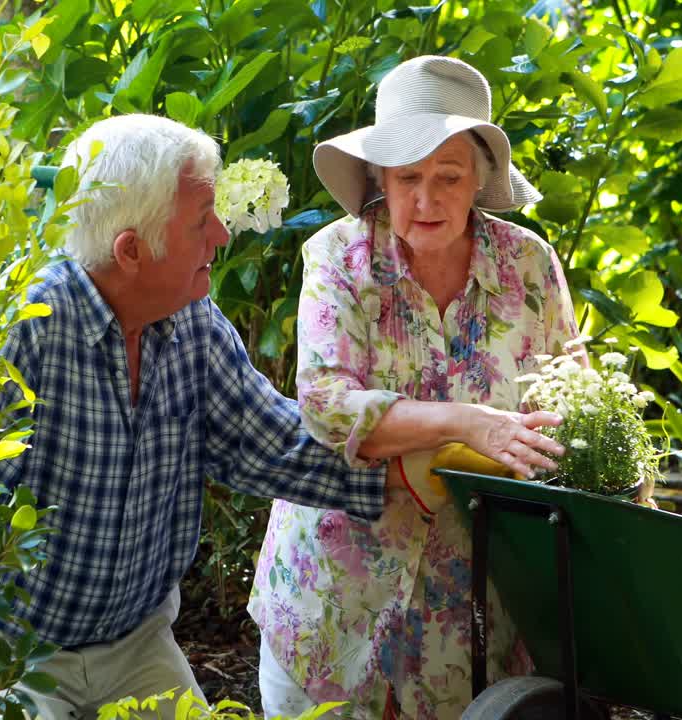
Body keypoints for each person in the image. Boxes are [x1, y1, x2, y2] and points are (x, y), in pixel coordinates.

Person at [0, 114, 401, 720]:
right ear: (132, 251)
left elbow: (273, 442)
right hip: (13, 653)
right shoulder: (28, 329)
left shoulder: (191, 324)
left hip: (134, 644)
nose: (224, 235)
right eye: (202, 221)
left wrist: (411, 470)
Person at [248, 56, 579, 719]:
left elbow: (571, 399)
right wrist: (463, 422)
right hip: (336, 603)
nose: (426, 199)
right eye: (408, 178)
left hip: (472, 614)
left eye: (448, 177)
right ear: (378, 178)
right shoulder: (338, 257)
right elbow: (325, 403)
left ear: (481, 179)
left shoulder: (530, 266)